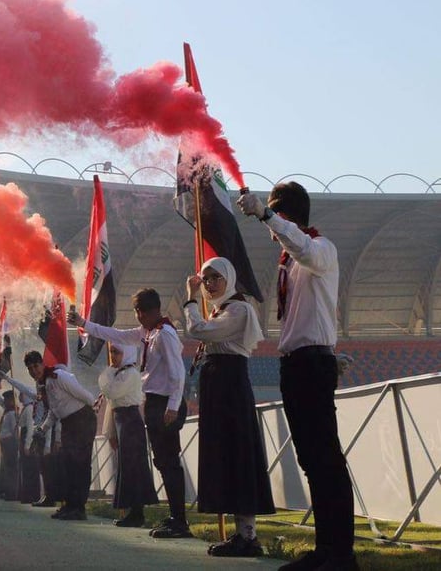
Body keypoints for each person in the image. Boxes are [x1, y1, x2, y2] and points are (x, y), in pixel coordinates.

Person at [239, 183, 357, 571]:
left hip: (312, 364)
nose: (270, 228)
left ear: (287, 216)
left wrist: (265, 215)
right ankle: (326, 550)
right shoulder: (289, 261)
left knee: (326, 460)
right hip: (295, 364)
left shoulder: (321, 249)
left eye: (275, 216)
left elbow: (303, 248)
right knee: (312, 460)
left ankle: (341, 554)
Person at [69, 289, 192, 538]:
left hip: (166, 401)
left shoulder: (165, 334)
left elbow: (178, 373)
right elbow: (115, 334)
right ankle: (175, 517)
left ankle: (180, 520)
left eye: (141, 312)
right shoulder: (148, 332)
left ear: (153, 310)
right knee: (162, 462)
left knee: (169, 462)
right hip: (155, 401)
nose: (137, 317)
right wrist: (84, 324)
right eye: (136, 311)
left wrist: (173, 406)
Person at [183, 257, 276, 557]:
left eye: (214, 278)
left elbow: (199, 331)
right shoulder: (223, 310)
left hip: (230, 387)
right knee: (225, 455)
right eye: (205, 278)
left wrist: (190, 300)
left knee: (237, 455)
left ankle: (248, 536)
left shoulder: (238, 309)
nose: (209, 284)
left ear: (229, 279)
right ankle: (241, 534)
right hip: (218, 387)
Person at [19, 350, 96, 520]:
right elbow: (54, 411)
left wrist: (94, 406)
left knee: (79, 466)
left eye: (36, 366)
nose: (34, 371)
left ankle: (79, 508)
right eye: (30, 368)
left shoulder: (58, 376)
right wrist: (43, 429)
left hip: (82, 419)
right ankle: (69, 505)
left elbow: (83, 394)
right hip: (68, 423)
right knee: (67, 465)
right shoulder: (45, 384)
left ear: (42, 363)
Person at [98, 342, 158, 528]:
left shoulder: (130, 374)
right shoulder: (118, 374)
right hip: (121, 421)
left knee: (134, 467)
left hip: (130, 421)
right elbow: (112, 406)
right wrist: (110, 433)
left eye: (116, 352)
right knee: (127, 467)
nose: (113, 356)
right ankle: (132, 510)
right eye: (111, 352)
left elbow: (111, 392)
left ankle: (137, 512)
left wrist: (106, 374)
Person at [17, 390, 43, 504]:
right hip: (24, 437)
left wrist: (27, 445)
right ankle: (28, 494)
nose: (19, 396)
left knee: (30, 469)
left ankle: (31, 495)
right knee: (27, 469)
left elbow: (29, 428)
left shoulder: (29, 409)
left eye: (21, 394)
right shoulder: (27, 408)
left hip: (28, 439)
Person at [0, 390, 19, 500]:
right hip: (5, 443)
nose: (4, 401)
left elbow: (14, 430)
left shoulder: (12, 413)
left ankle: (12, 492)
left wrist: (16, 443)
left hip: (10, 442)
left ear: (11, 400)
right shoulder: (7, 410)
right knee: (6, 467)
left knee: (10, 468)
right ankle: (6, 490)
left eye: (7, 399)